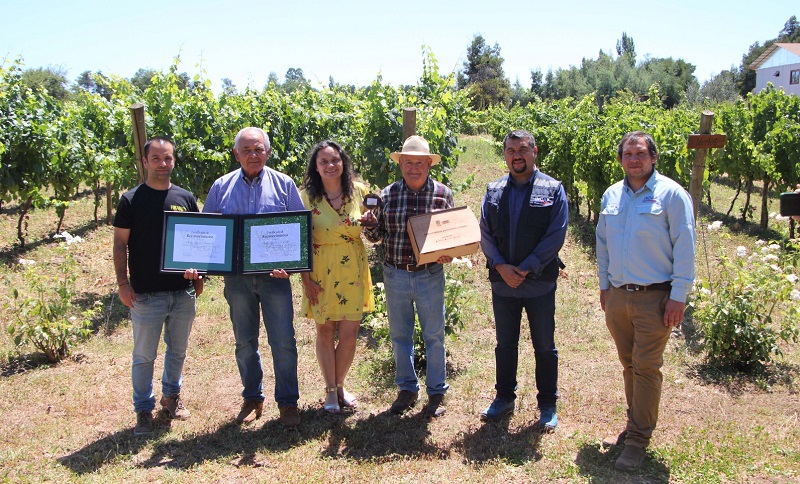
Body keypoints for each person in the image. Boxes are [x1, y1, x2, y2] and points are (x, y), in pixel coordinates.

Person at [184, 127, 305, 427]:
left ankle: (288, 402)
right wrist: (198, 267)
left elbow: (300, 233)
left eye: (259, 149)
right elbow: (207, 232)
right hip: (236, 279)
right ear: (236, 154)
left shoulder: (284, 184)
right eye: (247, 150)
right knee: (244, 341)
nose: (254, 155)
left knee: (284, 341)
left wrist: (290, 265)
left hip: (275, 279)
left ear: (267, 152)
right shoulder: (221, 187)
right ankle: (253, 396)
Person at [596, 131, 696, 472]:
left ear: (653, 157)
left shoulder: (671, 195)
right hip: (619, 297)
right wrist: (604, 286)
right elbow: (603, 245)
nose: (634, 159)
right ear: (621, 159)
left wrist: (678, 296)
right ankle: (634, 423)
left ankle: (638, 440)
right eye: (628, 154)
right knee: (629, 365)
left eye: (640, 153)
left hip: (656, 298)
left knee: (647, 368)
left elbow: (685, 247)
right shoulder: (611, 195)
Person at [478, 129, 568, 432]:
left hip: (539, 283)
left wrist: (527, 267)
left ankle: (547, 403)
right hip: (503, 283)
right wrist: (501, 266)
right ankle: (504, 397)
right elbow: (485, 233)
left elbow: (556, 234)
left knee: (544, 345)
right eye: (511, 150)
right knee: (505, 344)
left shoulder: (552, 189)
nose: (517, 155)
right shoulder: (493, 190)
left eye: (523, 149)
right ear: (504, 154)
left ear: (534, 151)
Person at [113, 136, 202, 436]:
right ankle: (143, 410)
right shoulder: (131, 200)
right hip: (145, 294)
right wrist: (123, 283)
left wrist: (198, 276)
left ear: (174, 161)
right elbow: (119, 245)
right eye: (156, 158)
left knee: (177, 351)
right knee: (144, 355)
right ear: (145, 162)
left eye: (168, 158)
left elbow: (199, 242)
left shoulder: (185, 198)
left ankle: (171, 398)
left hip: (181, 292)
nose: (163, 164)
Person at [363, 135, 454, 418]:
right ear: (400, 164)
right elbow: (376, 236)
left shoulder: (442, 194)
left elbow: (451, 235)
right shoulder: (387, 194)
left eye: (419, 162)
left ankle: (436, 390)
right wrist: (369, 227)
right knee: (400, 334)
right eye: (408, 162)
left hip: (429, 274)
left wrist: (449, 252)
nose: (414, 167)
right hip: (396, 274)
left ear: (429, 164)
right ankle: (407, 389)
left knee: (434, 335)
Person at [299, 140, 375, 414]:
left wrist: (373, 225)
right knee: (325, 330)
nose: (330, 166)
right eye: (324, 162)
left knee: (350, 334)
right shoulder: (305, 198)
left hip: (352, 269)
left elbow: (373, 233)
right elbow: (300, 241)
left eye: (335, 160)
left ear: (343, 163)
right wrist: (305, 279)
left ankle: (340, 384)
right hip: (319, 269)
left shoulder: (360, 192)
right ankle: (330, 390)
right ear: (316, 168)